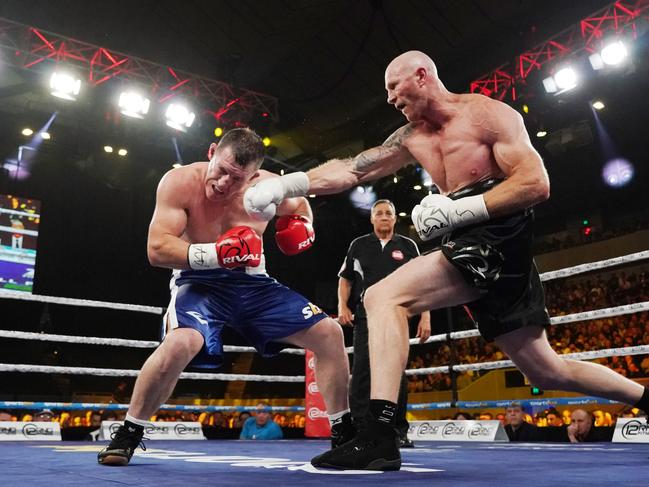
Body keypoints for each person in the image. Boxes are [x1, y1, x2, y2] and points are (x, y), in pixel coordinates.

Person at [244, 50, 649, 470]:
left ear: (421, 76)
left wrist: (460, 210)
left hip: (498, 238)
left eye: (393, 86)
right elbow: (353, 170)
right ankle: (646, 398)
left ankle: (380, 435)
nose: (388, 98)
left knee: (382, 297)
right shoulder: (408, 137)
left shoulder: (487, 115)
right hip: (480, 250)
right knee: (546, 372)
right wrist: (290, 184)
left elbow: (536, 182)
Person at [98, 128, 352, 466]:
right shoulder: (179, 182)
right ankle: (129, 432)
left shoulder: (267, 188)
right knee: (179, 343)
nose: (223, 183)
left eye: (236, 179)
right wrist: (218, 254)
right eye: (221, 170)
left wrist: (302, 226)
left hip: (252, 282)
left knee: (329, 333)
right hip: (198, 281)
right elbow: (157, 249)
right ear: (212, 151)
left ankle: (344, 435)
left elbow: (302, 204)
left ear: (253, 176)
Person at [338, 199, 430, 448]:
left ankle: (397, 430)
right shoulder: (358, 245)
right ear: (372, 219)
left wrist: (425, 316)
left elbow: (424, 281)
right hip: (365, 314)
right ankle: (359, 428)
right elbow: (345, 279)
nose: (384, 216)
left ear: (395, 218)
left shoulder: (408, 245)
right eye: (378, 213)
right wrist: (342, 306)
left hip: (397, 316)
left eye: (388, 213)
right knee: (362, 370)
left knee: (395, 371)